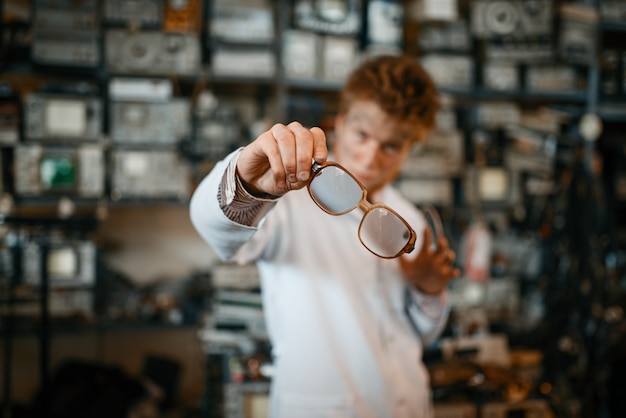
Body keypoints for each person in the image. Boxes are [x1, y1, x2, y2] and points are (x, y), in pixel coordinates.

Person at [190, 54, 460, 418]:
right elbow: (214, 228)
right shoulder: (288, 199)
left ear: (411, 147)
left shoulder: (407, 219)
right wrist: (247, 183)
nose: (370, 156)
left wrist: (429, 291)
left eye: (391, 146)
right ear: (341, 123)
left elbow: (418, 335)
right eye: (362, 135)